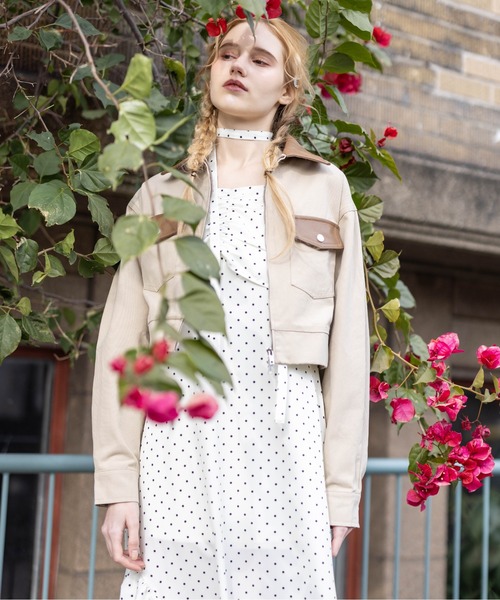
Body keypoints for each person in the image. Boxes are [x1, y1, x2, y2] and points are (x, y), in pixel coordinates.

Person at [92, 15, 369, 600]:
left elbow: (349, 352)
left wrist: (340, 490)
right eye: (227, 54)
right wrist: (118, 486)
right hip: (176, 448)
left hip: (286, 447)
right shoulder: (159, 196)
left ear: (287, 90)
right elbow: (123, 348)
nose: (238, 65)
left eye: (259, 60)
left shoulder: (326, 188)